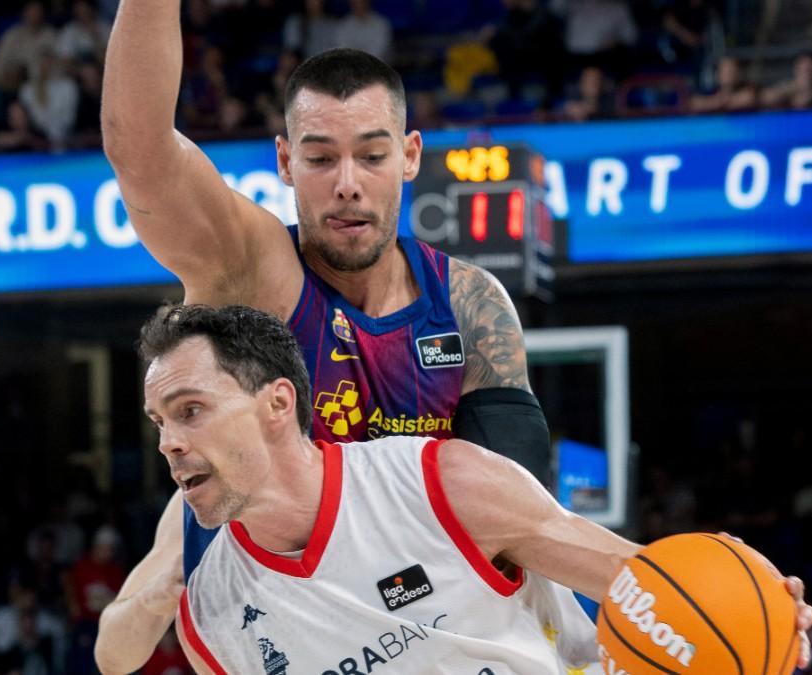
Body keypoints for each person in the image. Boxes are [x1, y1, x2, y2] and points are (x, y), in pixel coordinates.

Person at [96, 2, 549, 668]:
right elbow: (139, 149)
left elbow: (517, 510)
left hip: (436, 624)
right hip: (283, 626)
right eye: (319, 158)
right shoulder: (249, 273)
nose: (346, 186)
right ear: (283, 161)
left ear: (409, 155)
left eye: (371, 156)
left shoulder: (470, 303)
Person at [140, 303, 812, 673]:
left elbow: (637, 581)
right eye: (160, 420)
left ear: (277, 403)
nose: (169, 439)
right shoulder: (212, 618)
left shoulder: (442, 482)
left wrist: (751, 607)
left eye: (191, 410)